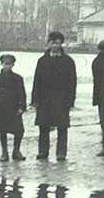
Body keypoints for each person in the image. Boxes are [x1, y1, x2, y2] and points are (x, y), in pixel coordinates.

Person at [32, 30, 77, 161]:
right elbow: (37, 81)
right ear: (48, 43)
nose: (55, 46)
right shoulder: (42, 61)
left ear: (61, 44)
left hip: (61, 99)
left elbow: (72, 82)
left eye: (57, 43)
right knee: (43, 126)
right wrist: (35, 99)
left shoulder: (68, 61)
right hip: (44, 99)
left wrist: (70, 100)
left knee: (62, 127)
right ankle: (43, 151)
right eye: (52, 43)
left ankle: (61, 152)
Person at [0, 54, 27, 162]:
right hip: (1, 107)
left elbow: (22, 94)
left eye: (10, 64)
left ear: (13, 65)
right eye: (6, 64)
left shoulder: (18, 78)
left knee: (18, 131)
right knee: (3, 130)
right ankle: (4, 152)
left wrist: (21, 107)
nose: (8, 66)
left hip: (14, 107)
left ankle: (16, 151)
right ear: (2, 64)